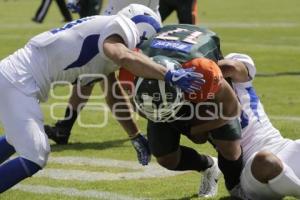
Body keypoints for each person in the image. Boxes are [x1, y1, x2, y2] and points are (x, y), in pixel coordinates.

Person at [0, 4, 204, 193]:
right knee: (36, 154)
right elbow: (122, 55)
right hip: (18, 81)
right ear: (142, 29)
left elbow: (114, 97)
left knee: (16, 138)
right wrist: (167, 73)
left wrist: (134, 135)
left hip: (17, 79)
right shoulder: (120, 29)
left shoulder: (106, 39)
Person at [44, 0, 161, 145]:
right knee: (93, 75)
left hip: (136, 23)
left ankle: (159, 130)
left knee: (137, 83)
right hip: (121, 19)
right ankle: (64, 127)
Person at [217, 53, 300, 199]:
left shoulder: (235, 68)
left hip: (282, 146)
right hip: (251, 170)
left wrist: (198, 69)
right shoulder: (197, 94)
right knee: (265, 160)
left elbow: (230, 67)